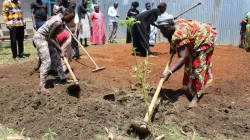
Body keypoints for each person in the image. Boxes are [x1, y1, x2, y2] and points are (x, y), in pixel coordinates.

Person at [156, 13, 217, 108]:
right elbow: (171, 38)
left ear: (171, 25)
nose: (162, 32)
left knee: (198, 67)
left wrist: (169, 72)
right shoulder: (172, 27)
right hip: (194, 37)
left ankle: (196, 97)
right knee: (189, 65)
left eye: (164, 29)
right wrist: (173, 47)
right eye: (161, 29)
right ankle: (187, 90)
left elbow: (182, 57)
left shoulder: (179, 33)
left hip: (205, 38)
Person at [33, 8, 75, 93]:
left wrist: (59, 49)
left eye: (72, 18)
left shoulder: (61, 20)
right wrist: (60, 50)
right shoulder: (58, 22)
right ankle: (41, 87)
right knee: (47, 61)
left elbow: (53, 36)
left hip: (46, 38)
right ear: (65, 14)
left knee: (55, 56)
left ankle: (62, 78)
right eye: (70, 18)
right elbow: (50, 37)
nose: (70, 20)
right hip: (40, 38)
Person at [31, 0, 47, 71]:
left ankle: (43, 63)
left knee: (45, 40)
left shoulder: (44, 4)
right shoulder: (34, 3)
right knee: (40, 41)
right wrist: (33, 23)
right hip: (38, 21)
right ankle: (40, 64)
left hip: (44, 22)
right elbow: (32, 14)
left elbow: (46, 14)